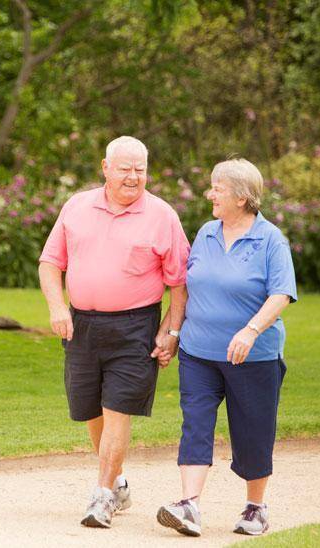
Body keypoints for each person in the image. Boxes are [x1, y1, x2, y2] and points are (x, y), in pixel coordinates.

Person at [39, 136, 190, 529]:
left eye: (140, 169)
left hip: (134, 328)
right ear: (105, 168)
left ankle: (103, 495)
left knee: (117, 409)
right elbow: (50, 263)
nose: (133, 176)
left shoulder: (162, 215)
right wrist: (57, 308)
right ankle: (119, 482)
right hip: (82, 325)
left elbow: (180, 283)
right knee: (90, 410)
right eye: (124, 168)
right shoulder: (77, 206)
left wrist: (171, 331)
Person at [155, 158, 297, 537]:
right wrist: (172, 332)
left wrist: (250, 331)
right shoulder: (205, 232)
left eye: (217, 187)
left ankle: (255, 507)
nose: (210, 194)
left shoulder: (270, 239)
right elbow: (186, 288)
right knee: (195, 424)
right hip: (198, 352)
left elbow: (281, 293)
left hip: (252, 357)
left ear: (242, 196)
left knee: (253, 431)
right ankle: (189, 506)